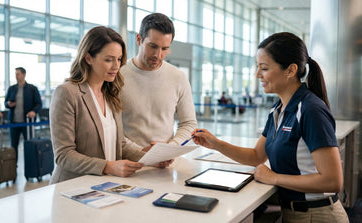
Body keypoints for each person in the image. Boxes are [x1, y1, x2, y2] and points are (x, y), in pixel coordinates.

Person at [191, 32, 348, 222]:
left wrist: (275, 178)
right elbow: (257, 155)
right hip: (294, 212)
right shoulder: (278, 109)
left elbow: (332, 180)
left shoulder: (310, 110)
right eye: (258, 67)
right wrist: (216, 143)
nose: (258, 75)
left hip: (318, 215)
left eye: (264, 68)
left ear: (290, 70)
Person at [49, 26, 171, 184]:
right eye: (109, 59)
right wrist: (108, 166)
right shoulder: (67, 93)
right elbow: (64, 154)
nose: (116, 66)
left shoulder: (111, 93)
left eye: (119, 59)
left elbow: (119, 143)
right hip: (71, 188)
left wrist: (150, 158)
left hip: (103, 188)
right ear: (88, 58)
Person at [121, 13, 197, 149]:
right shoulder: (118, 75)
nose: (158, 55)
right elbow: (110, 128)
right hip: (128, 162)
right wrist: (140, 152)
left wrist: (169, 149)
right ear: (139, 40)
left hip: (166, 162)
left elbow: (188, 123)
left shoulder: (178, 77)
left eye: (165, 49)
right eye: (153, 46)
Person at [4, 67, 42, 160]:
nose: (16, 76)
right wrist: (8, 104)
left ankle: (30, 166)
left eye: (18, 74)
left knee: (29, 144)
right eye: (15, 74)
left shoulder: (32, 88)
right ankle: (13, 167)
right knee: (13, 145)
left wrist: (34, 111)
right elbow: (5, 103)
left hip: (27, 123)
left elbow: (39, 103)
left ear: (24, 74)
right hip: (13, 122)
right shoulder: (12, 88)